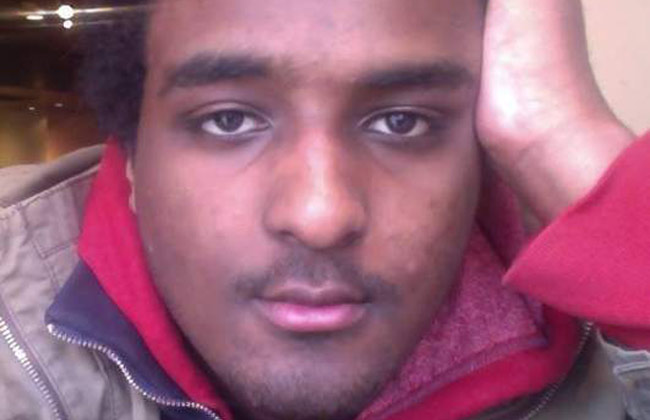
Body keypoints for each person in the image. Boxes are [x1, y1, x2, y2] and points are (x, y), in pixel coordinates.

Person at [0, 0, 648, 419]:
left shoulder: (601, 332)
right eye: (229, 120)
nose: (321, 216)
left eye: (401, 121)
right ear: (133, 159)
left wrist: (561, 140)